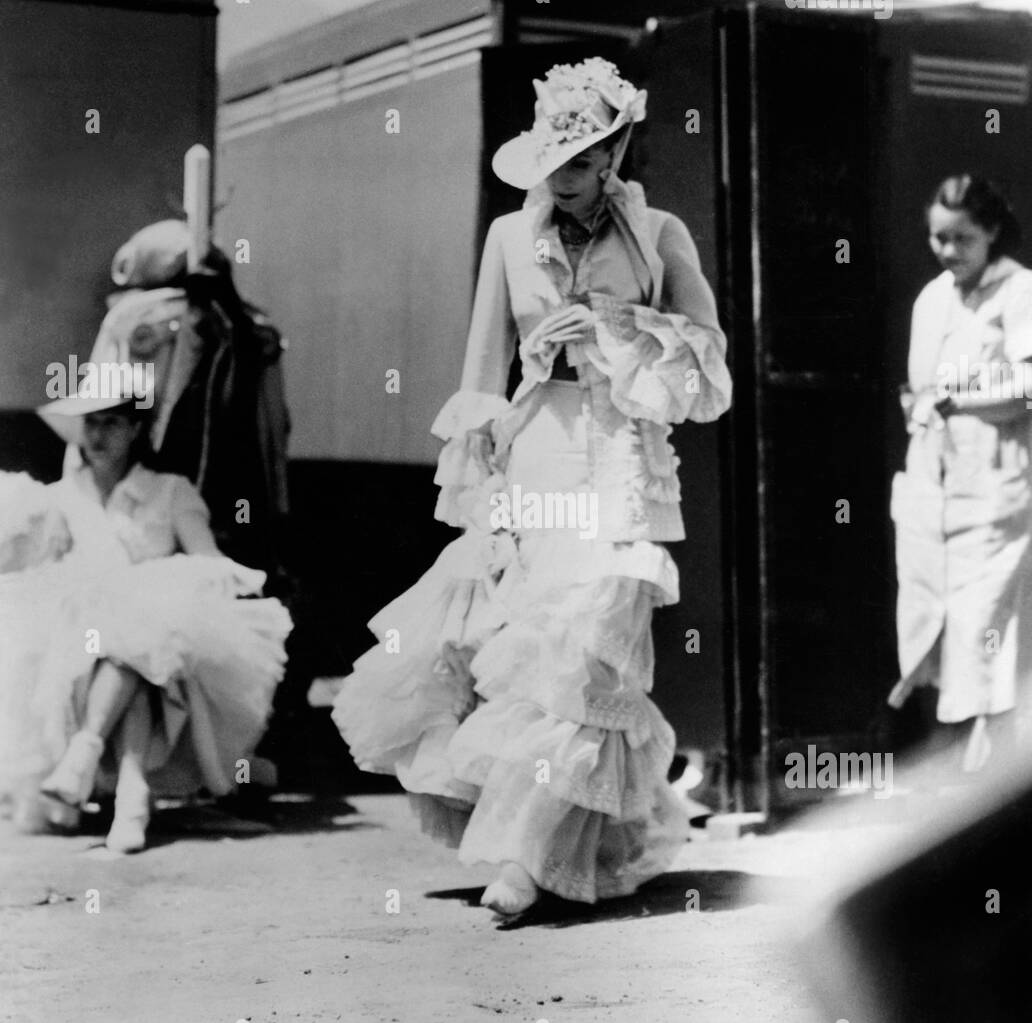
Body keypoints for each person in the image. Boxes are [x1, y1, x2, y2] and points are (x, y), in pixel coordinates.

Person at [333, 57, 732, 918]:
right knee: (532, 660)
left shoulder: (659, 234)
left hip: (623, 454)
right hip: (538, 454)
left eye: (584, 163)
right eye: (555, 164)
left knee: (594, 648)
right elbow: (481, 370)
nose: (567, 181)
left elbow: (707, 364)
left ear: (616, 153)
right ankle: (550, 845)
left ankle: (522, 858)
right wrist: (486, 490)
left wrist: (621, 326)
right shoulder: (511, 240)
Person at [0, 386, 291, 852]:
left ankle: (93, 754)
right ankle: (129, 790)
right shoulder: (59, 499)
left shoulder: (170, 491)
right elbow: (39, 572)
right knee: (116, 638)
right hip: (75, 639)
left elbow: (207, 562)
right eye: (91, 423)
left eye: (112, 422)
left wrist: (166, 590)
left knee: (132, 637)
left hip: (151, 639)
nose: (97, 435)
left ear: (136, 429)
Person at [888, 174, 1032, 771]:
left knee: (997, 628)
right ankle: (980, 778)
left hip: (1009, 486)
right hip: (945, 489)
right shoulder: (932, 299)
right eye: (938, 239)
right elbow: (922, 391)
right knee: (952, 632)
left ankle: (996, 779)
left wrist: (958, 398)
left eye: (961, 239)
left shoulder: (1023, 291)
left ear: (992, 232)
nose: (947, 252)